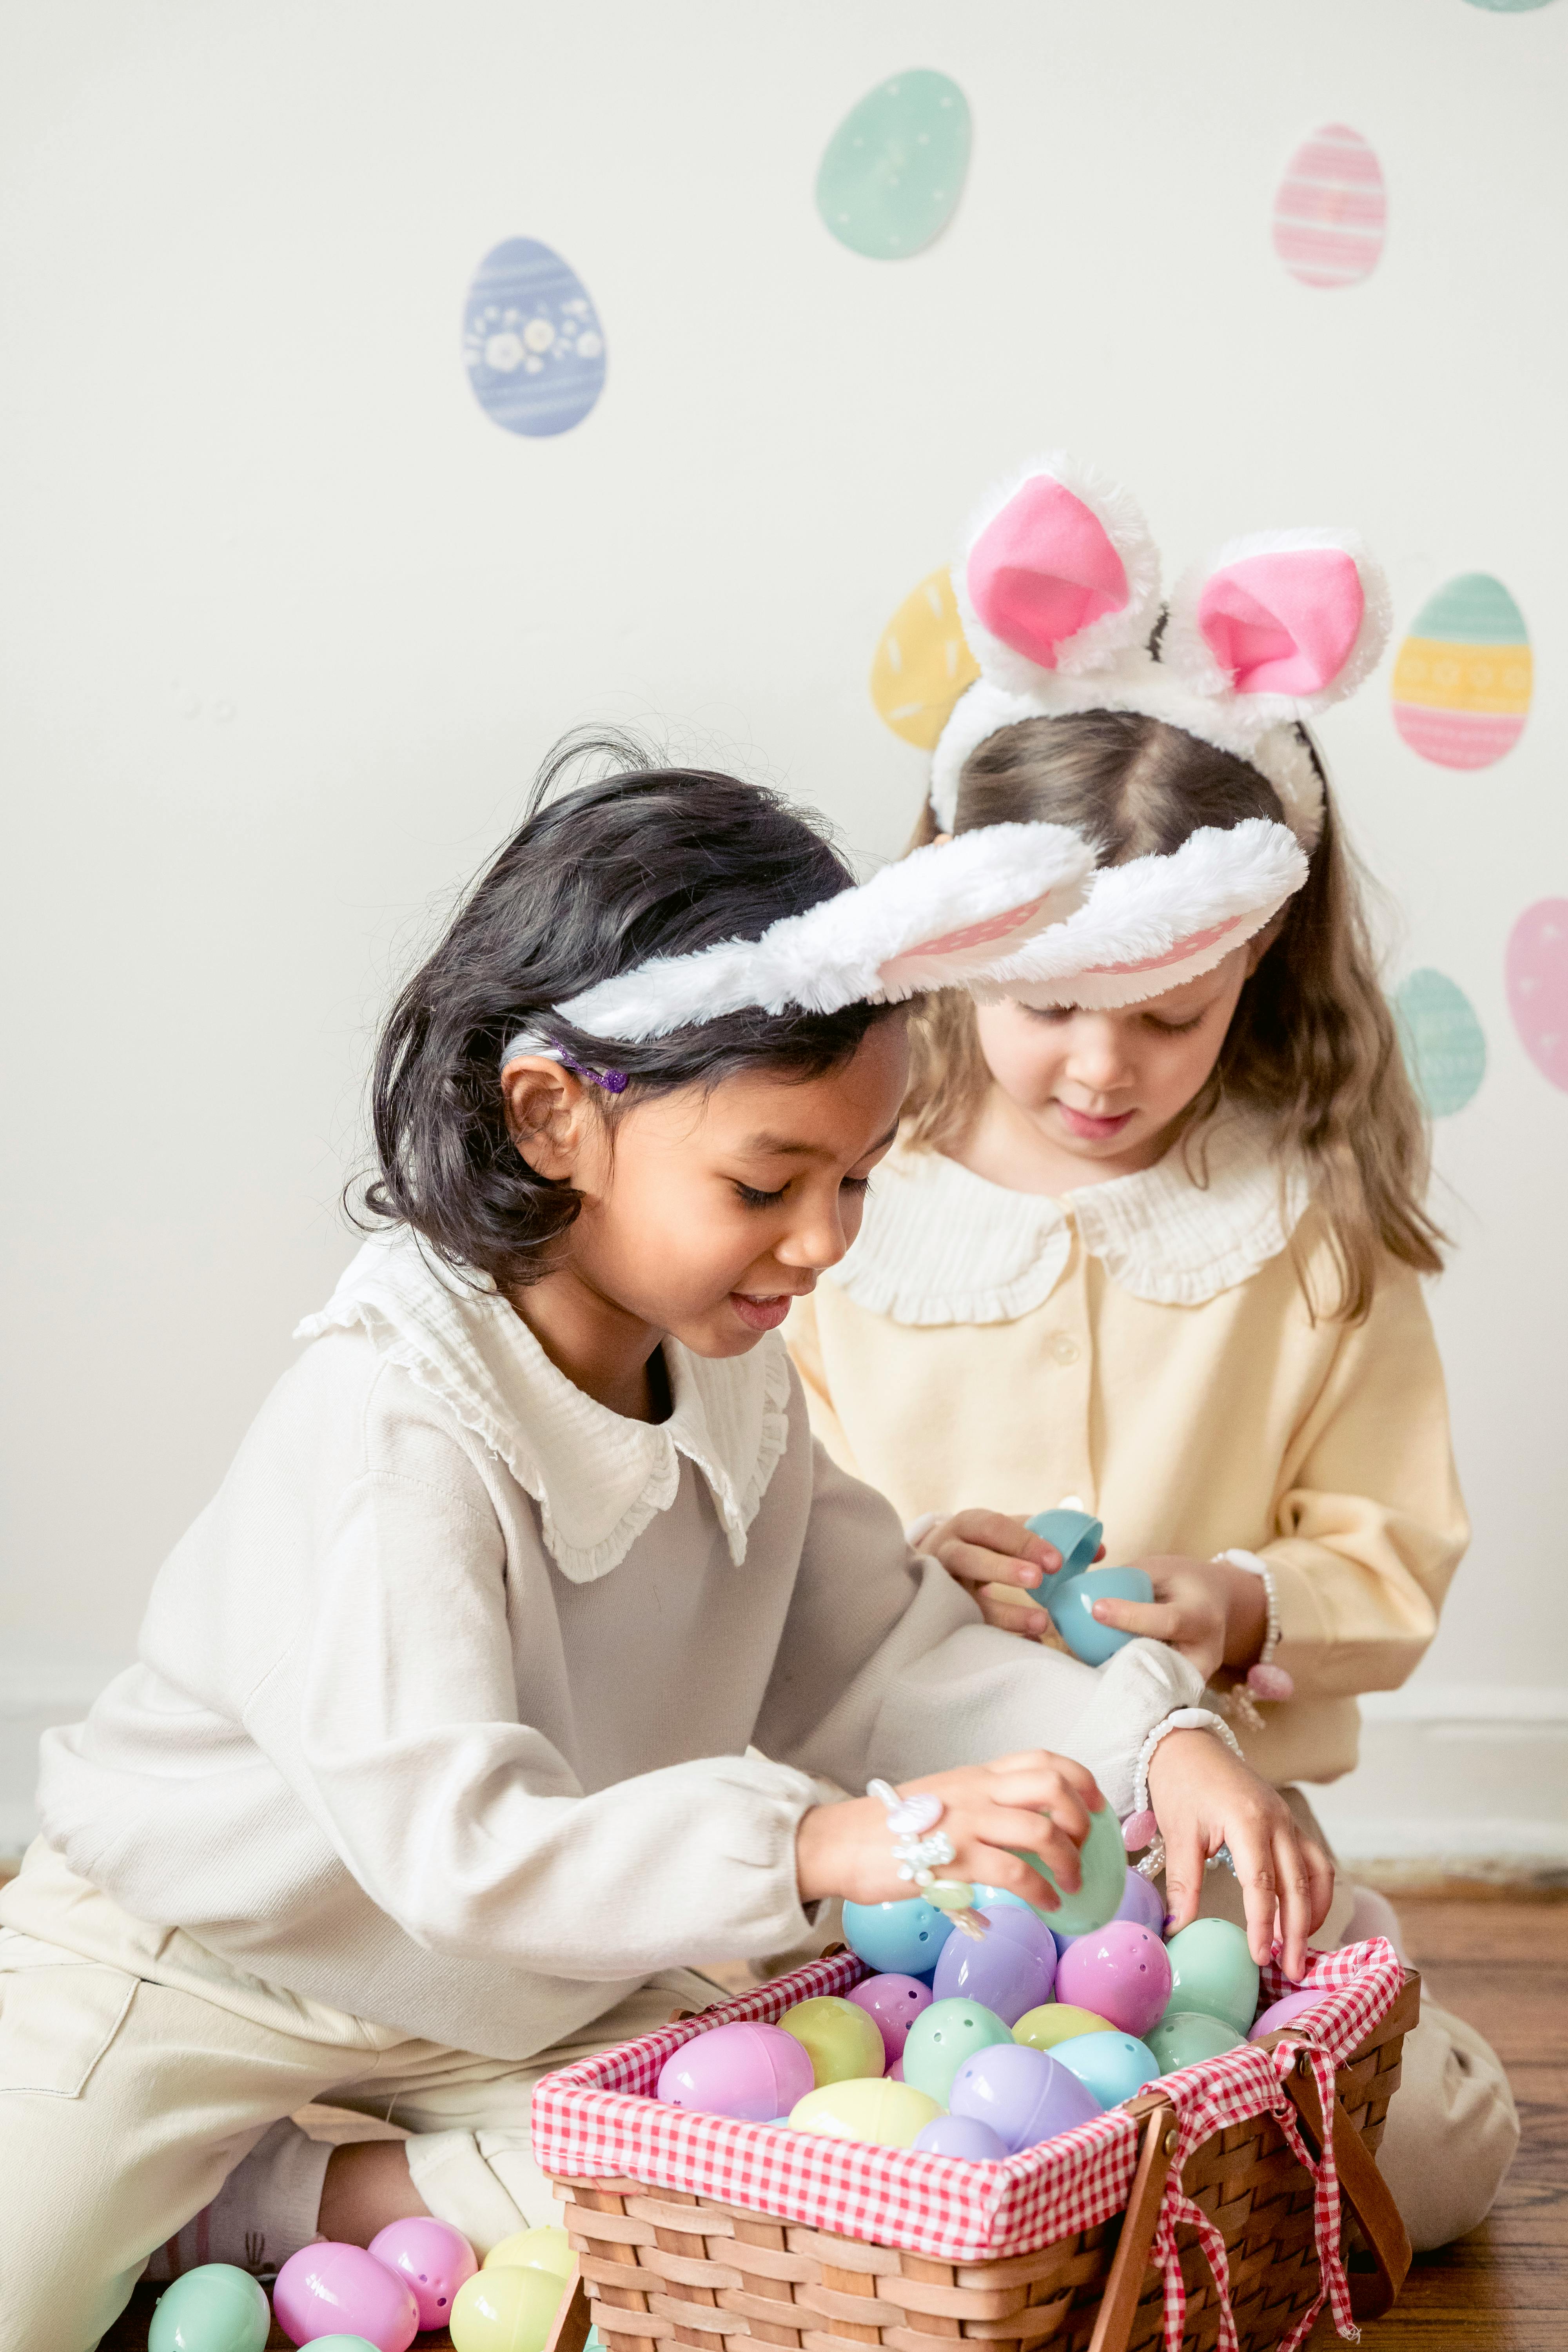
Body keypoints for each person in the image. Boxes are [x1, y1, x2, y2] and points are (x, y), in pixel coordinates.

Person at [0, 740, 1328, 2352]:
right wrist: (821, 1849)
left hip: (508, 1996)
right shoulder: (389, 1424)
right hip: (199, 1970)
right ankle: (176, 2159)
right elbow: (459, 1845)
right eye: (770, 1182)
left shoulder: (722, 1371)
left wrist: (1159, 1740)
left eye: (853, 1180)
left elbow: (881, 1645)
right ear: (557, 1117)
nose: (826, 1241)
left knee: (769, 2200)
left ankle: (280, 2203)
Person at [787, 454, 1518, 2249]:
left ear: (1258, 967)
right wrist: (905, 1568)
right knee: (875, 2119)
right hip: (901, 1850)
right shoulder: (836, 1200)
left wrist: (1247, 1607)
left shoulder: (1302, 1220)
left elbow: (1391, 1546)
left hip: (1212, 1863)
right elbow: (760, 1516)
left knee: (1423, 2173)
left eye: (1168, 1020)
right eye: (1047, 1011)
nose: (1100, 1074)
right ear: (955, 944)